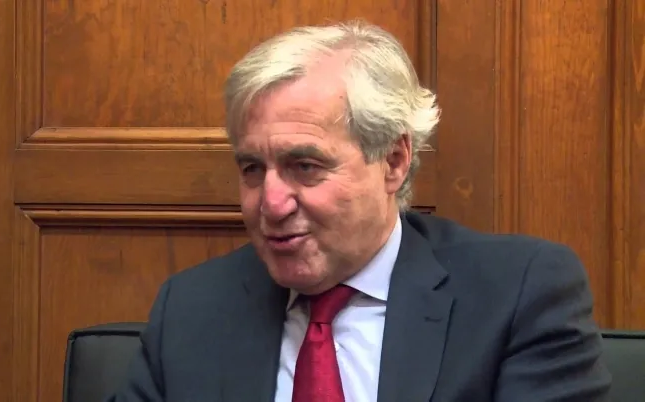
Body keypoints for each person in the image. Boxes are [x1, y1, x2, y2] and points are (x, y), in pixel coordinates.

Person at [108, 20, 611, 401]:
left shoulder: (517, 295)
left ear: (393, 161)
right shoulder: (192, 309)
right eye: (252, 169)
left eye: (305, 166)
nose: (271, 204)